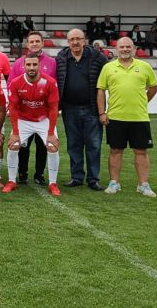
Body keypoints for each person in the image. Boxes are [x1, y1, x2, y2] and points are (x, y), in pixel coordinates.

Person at [97, 37, 157, 197]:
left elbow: (154, 86)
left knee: (141, 151)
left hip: (139, 117)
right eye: (122, 47)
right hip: (116, 117)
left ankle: (143, 184)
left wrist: (143, 101)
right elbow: (100, 91)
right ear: (117, 49)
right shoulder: (108, 67)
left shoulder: (144, 66)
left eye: (128, 47)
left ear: (134, 48)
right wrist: (102, 112)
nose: (125, 49)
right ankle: (114, 182)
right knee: (115, 150)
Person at [56, 29, 108, 191]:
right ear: (68, 41)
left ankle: (93, 179)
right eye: (72, 39)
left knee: (94, 144)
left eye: (78, 39)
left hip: (92, 108)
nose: (75, 42)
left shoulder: (97, 57)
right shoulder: (61, 58)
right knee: (73, 145)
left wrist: (103, 110)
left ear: (85, 40)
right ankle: (77, 177)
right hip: (69, 109)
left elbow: (110, 76)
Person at [4, 52, 61, 196]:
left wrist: (50, 133)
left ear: (39, 66)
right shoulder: (16, 83)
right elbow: (13, 108)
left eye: (34, 64)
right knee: (13, 145)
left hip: (43, 119)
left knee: (53, 146)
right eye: (28, 64)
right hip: (24, 120)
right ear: (23, 66)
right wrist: (15, 133)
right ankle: (11, 181)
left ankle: (53, 183)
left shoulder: (49, 82)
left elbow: (54, 108)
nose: (31, 67)